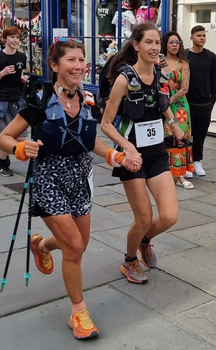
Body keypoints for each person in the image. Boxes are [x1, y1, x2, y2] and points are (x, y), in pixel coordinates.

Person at [0, 38, 141, 340]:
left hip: (81, 180)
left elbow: (90, 139)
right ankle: (79, 311)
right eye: (71, 60)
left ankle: (41, 246)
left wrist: (113, 155)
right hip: (49, 180)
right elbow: (4, 138)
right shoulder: (38, 99)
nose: (78, 66)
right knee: (75, 248)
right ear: (54, 65)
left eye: (81, 60)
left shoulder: (88, 100)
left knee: (78, 244)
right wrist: (21, 148)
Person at [101, 22, 184, 284]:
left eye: (157, 42)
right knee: (144, 217)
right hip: (131, 158)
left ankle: (145, 241)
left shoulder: (160, 76)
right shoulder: (125, 80)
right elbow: (106, 123)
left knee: (169, 216)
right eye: (148, 42)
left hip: (157, 153)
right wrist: (127, 148)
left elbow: (161, 104)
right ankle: (129, 260)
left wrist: (173, 124)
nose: (154, 47)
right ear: (136, 45)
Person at [161, 31, 194, 189]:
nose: (175, 45)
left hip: (179, 106)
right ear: (166, 44)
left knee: (178, 139)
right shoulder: (159, 61)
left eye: (177, 42)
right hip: (160, 104)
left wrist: (167, 102)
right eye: (171, 42)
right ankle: (165, 173)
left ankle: (180, 175)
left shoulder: (183, 63)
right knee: (164, 138)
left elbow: (184, 88)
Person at [185, 25, 216, 177]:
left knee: (201, 134)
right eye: (198, 35)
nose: (202, 38)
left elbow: (214, 80)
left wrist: (212, 102)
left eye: (204, 35)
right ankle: (185, 162)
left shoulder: (211, 57)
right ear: (192, 37)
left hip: (205, 103)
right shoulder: (184, 56)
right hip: (187, 102)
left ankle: (197, 161)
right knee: (185, 134)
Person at [0, 26, 28, 177]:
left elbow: (21, 74)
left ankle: (3, 158)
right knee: (5, 134)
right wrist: (2, 73)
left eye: (17, 37)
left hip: (18, 99)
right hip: (2, 100)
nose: (16, 40)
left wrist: (23, 79)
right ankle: (2, 163)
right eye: (12, 37)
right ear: (5, 39)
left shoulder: (21, 57)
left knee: (21, 136)